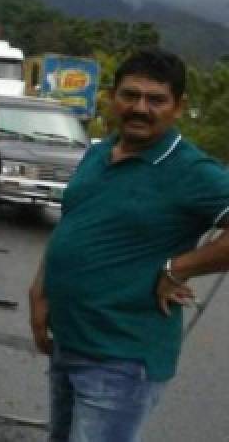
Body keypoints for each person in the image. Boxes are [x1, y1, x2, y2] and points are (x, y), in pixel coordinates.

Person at [29, 48, 229, 441]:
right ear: (111, 97)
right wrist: (40, 288)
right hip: (69, 342)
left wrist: (179, 268)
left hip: (121, 357)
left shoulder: (191, 171)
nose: (140, 108)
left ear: (178, 106)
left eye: (156, 99)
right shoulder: (101, 150)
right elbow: (74, 222)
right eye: (130, 95)